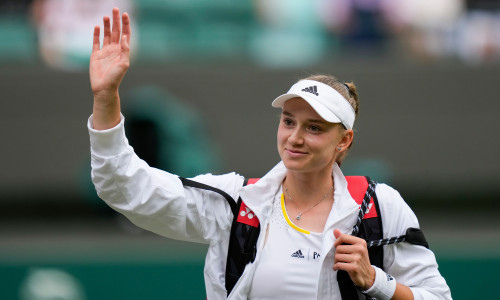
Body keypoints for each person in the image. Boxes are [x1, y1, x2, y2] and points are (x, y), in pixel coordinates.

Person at [88, 8, 452, 300]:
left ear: (344, 141)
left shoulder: (380, 206)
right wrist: (106, 98)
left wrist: (376, 281)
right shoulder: (235, 204)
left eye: (314, 127)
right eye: (289, 121)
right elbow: (125, 188)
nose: (295, 137)